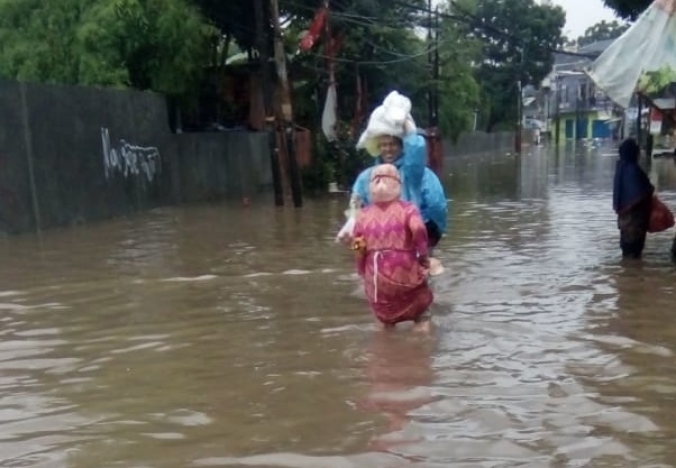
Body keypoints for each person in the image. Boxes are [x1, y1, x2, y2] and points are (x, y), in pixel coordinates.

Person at [336, 91, 448, 258]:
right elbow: (357, 207)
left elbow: (436, 209)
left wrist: (429, 242)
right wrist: (351, 226)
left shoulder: (414, 173)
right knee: (361, 255)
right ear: (376, 147)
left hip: (412, 240)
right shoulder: (366, 177)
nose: (387, 149)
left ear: (402, 145)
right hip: (378, 241)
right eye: (383, 145)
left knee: (418, 272)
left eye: (392, 144)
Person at [352, 163, 433, 332]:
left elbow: (358, 246)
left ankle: (385, 353)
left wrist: (361, 269)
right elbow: (418, 228)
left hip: (376, 274)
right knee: (421, 315)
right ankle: (420, 348)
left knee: (384, 321)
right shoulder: (408, 209)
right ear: (397, 184)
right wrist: (423, 256)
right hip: (404, 269)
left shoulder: (362, 215)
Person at [613, 138, 654, 259]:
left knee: (627, 251)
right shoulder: (633, 170)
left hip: (624, 219)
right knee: (634, 252)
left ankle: (628, 274)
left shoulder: (620, 169)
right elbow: (642, 192)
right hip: (635, 220)